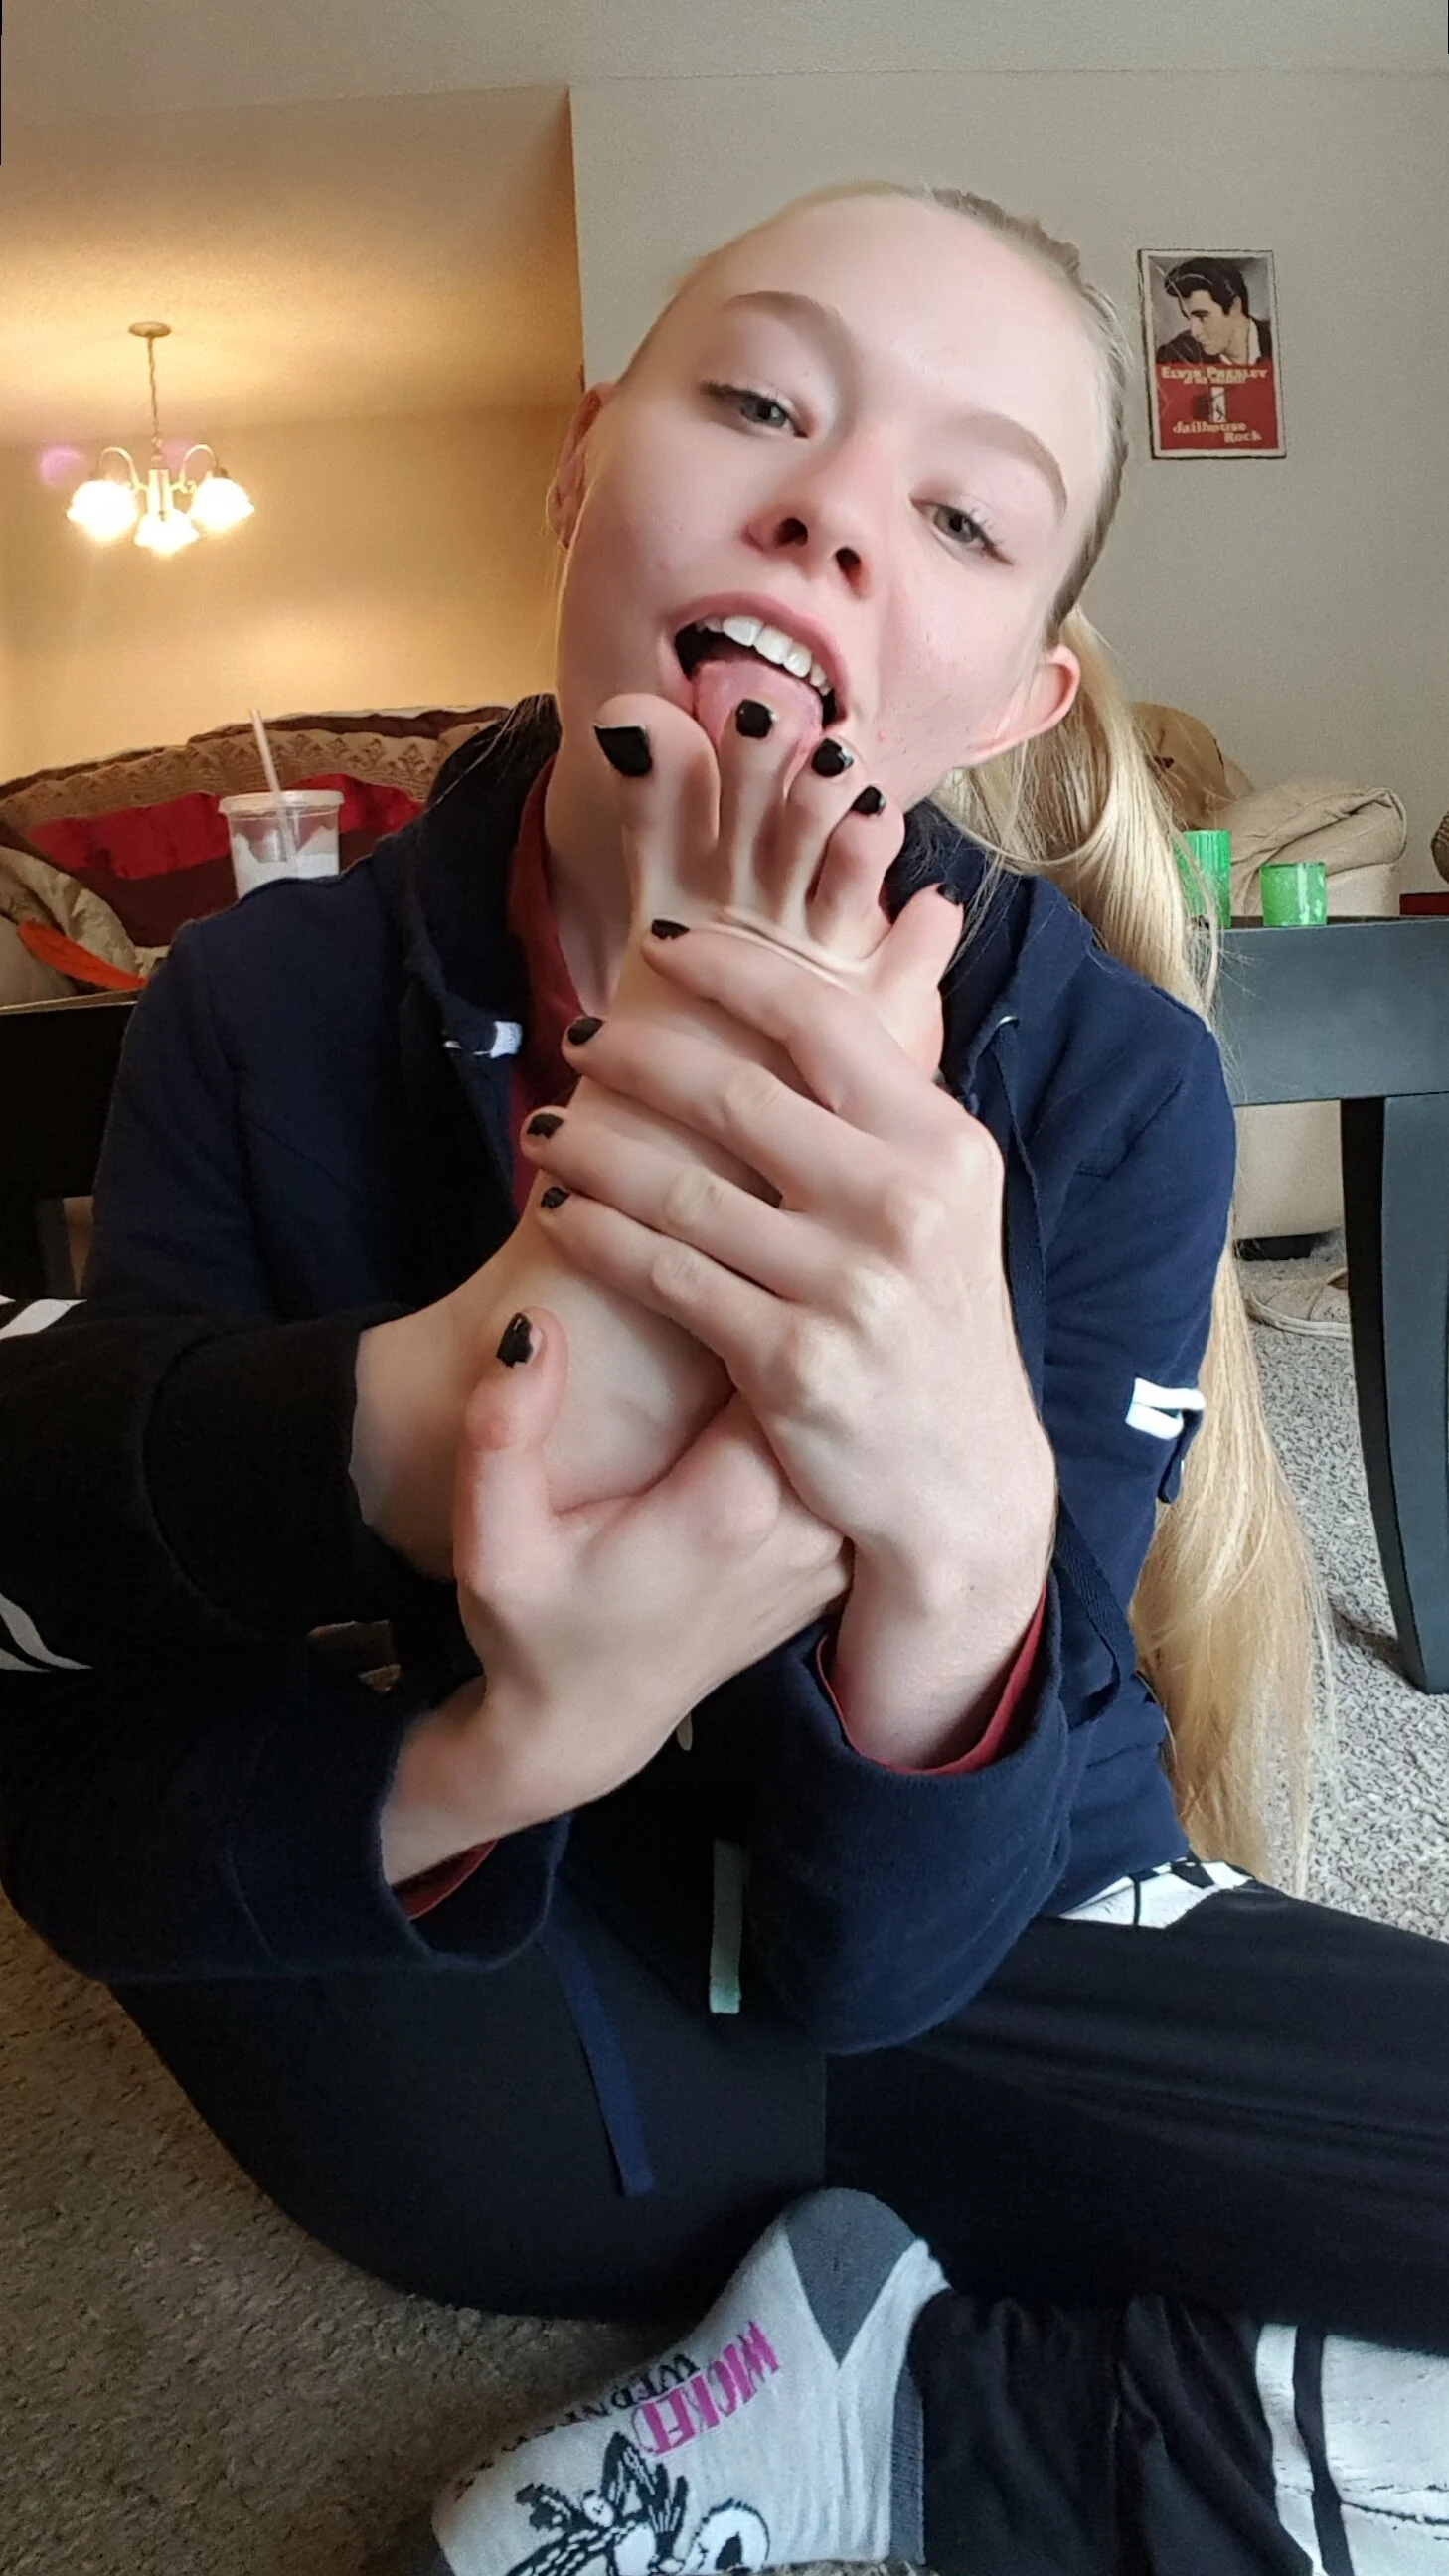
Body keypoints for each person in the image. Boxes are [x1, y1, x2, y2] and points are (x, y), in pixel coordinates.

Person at [1, 183, 1446, 2574]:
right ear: (582, 469)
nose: (831, 511)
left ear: (1018, 694)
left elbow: (904, 1957)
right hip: (512, 2057)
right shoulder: (259, 1007)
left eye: (961, 515)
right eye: (761, 399)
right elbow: (92, 1802)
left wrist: (958, 1538)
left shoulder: (1108, 1085)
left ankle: (901, 2427)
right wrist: (501, 1682)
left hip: (1007, 1945)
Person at [1155, 256, 1275, 367]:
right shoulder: (1177, 355)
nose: (1194, 332)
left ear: (1234, 306)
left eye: (1202, 317)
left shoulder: (1278, 341)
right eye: (1188, 318)